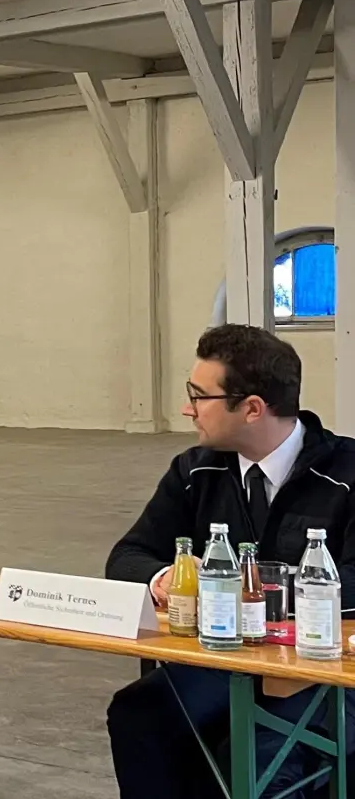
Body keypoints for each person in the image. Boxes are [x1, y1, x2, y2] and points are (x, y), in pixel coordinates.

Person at [106, 324, 355, 799]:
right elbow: (128, 556)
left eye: (199, 396)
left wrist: (239, 590)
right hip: (223, 663)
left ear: (252, 408)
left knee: (259, 759)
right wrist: (167, 578)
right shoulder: (195, 470)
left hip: (323, 672)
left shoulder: (347, 474)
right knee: (140, 714)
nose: (187, 409)